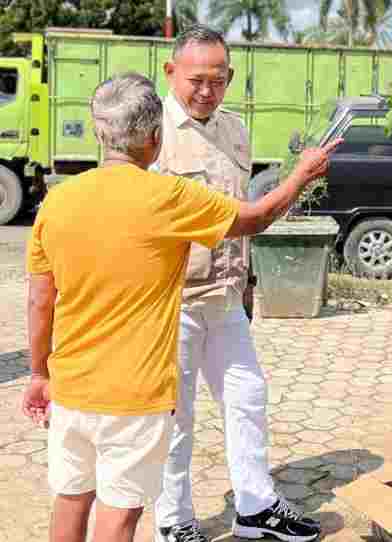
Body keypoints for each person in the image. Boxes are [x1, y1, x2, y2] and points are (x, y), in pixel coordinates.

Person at [21, 72, 338, 542]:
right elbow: (256, 218)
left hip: (70, 388)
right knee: (118, 514)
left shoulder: (57, 202)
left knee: (71, 499)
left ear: (98, 132)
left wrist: (38, 374)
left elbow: (39, 299)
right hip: (134, 396)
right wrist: (301, 175)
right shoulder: (169, 198)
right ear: (155, 137)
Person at [148, 25, 322, 542]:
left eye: (218, 80)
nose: (207, 91)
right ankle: (174, 521)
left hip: (225, 297)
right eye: (197, 80)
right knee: (175, 418)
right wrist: (298, 178)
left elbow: (240, 211)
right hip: (173, 301)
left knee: (248, 397)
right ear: (171, 72)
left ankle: (255, 507)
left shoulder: (236, 130)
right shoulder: (151, 133)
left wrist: (245, 286)